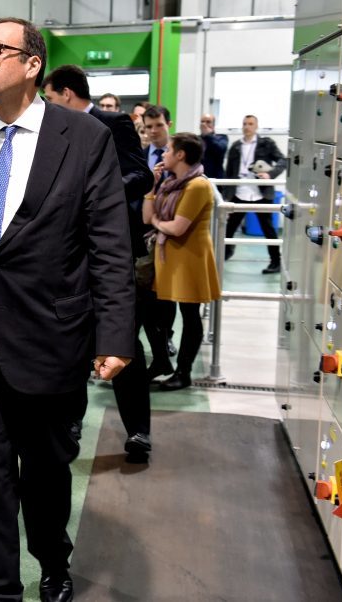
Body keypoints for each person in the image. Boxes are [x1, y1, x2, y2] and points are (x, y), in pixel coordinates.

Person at [0, 17, 134, 601]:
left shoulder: (83, 137)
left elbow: (108, 241)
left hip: (54, 336)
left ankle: (53, 559)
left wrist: (115, 335)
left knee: (48, 470)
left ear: (31, 65)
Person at [42, 64, 155, 461]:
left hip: (110, 250)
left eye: (51, 97)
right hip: (67, 256)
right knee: (70, 337)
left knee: (122, 340)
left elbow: (142, 176)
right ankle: (71, 422)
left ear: (68, 93)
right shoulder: (47, 132)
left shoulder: (113, 123)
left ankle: (139, 430)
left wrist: (97, 191)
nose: (47, 105)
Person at [142, 132, 222, 390]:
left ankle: (183, 372)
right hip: (169, 257)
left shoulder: (198, 185)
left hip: (190, 258)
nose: (163, 154)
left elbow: (177, 228)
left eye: (168, 150)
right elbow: (147, 217)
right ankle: (163, 363)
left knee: (190, 315)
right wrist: (151, 187)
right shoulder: (170, 182)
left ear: (180, 155)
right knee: (159, 312)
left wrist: (157, 222)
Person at [141, 105, 179, 377]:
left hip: (173, 237)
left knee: (167, 297)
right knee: (146, 297)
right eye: (148, 127)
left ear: (169, 124)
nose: (153, 132)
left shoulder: (181, 157)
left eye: (158, 126)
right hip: (144, 235)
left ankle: (166, 339)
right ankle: (159, 353)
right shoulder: (140, 155)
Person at [222, 114, 285, 273]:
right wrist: (226, 195)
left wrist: (270, 174)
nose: (247, 126)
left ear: (256, 126)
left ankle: (276, 262)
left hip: (260, 193)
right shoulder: (236, 146)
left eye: (250, 123)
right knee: (229, 227)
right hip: (240, 191)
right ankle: (225, 253)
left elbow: (283, 161)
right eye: (244, 123)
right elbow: (229, 171)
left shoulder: (266, 144)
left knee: (268, 229)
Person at [199, 113, 228, 179]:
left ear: (213, 125)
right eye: (202, 122)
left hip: (216, 178)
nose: (204, 124)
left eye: (208, 122)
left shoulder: (222, 138)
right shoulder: (196, 139)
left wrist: (208, 135)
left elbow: (220, 150)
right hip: (199, 177)